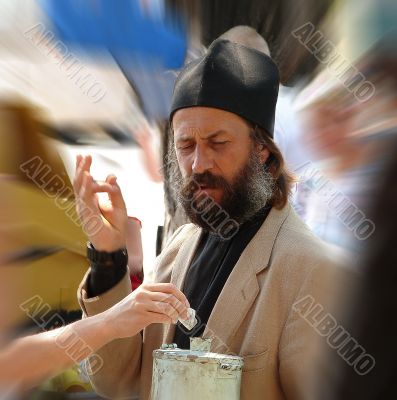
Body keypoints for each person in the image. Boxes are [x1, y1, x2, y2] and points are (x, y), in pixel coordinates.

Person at [74, 39, 339, 399]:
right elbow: (118, 382)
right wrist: (107, 258)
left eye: (218, 143)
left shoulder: (313, 271)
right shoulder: (179, 250)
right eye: (186, 146)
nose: (198, 165)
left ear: (263, 150)